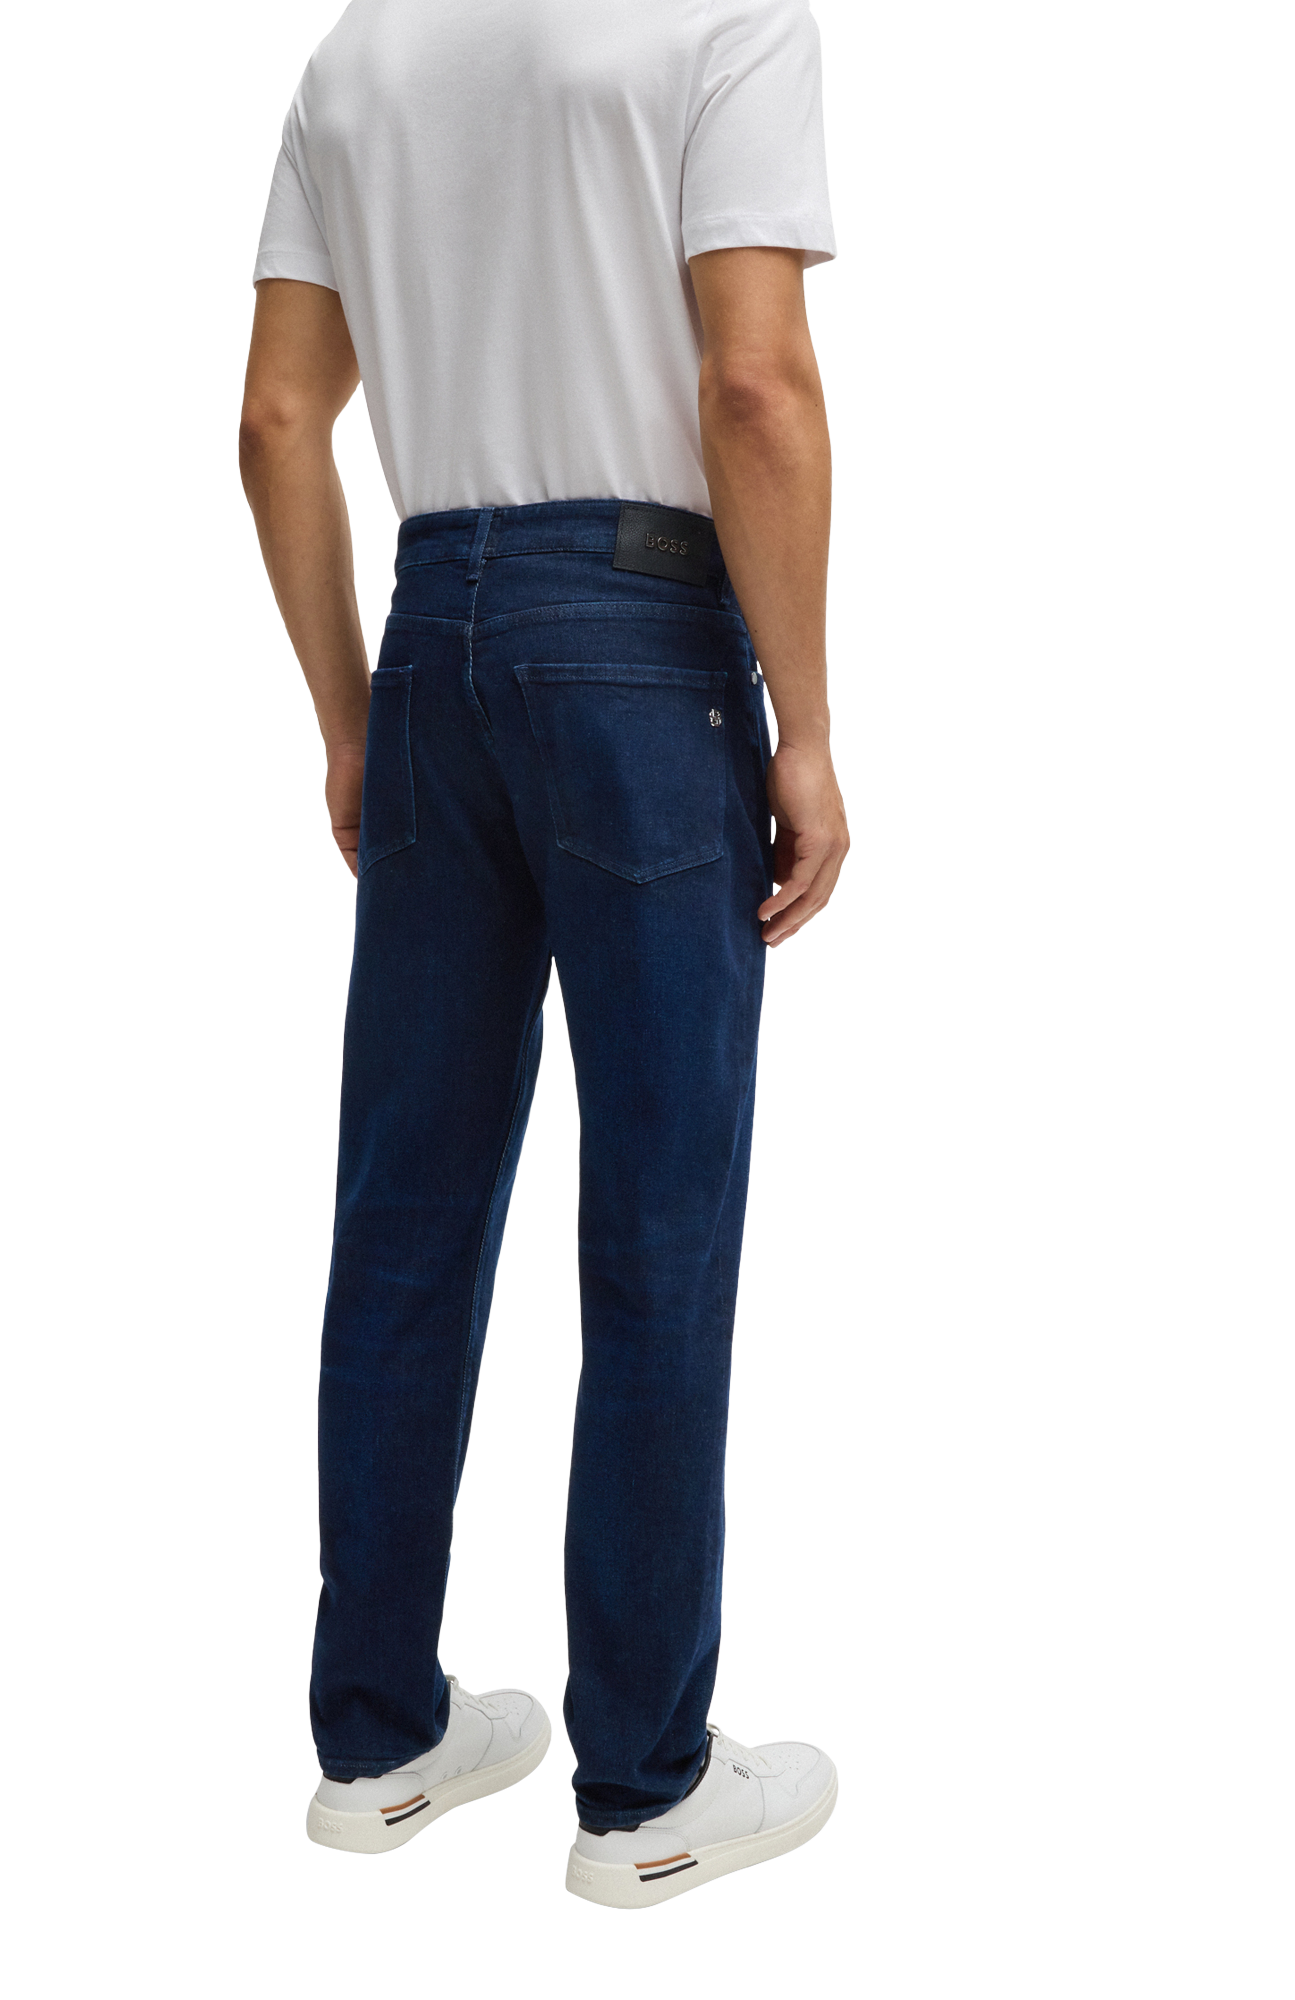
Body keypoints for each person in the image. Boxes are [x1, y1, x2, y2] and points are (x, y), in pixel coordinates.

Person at [239, 0, 849, 1908]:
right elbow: (755, 386)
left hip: (434, 634)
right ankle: (646, 1790)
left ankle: (377, 1740)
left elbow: (275, 422)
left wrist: (354, 720)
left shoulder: (357, 53)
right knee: (658, 1221)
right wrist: (807, 725)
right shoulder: (726, 18)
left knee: (406, 1212)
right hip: (642, 649)